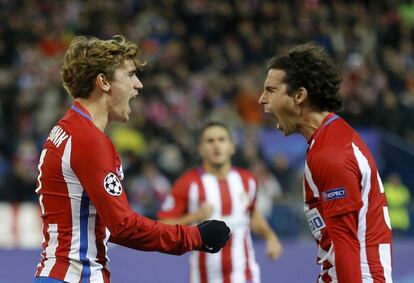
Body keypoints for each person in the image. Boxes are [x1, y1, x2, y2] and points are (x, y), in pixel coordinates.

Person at [33, 35, 230, 283]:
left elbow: (102, 221)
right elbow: (123, 226)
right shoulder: (89, 140)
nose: (138, 85)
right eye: (130, 75)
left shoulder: (65, 130)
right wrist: (194, 236)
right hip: (76, 277)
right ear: (103, 82)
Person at [258, 43, 393, 282]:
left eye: (270, 90)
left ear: (299, 95)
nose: (261, 100)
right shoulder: (330, 139)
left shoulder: (331, 154)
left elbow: (346, 242)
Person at [158, 121, 282, 283]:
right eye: (210, 141)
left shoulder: (247, 180)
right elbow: (163, 225)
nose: (216, 146)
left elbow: (251, 214)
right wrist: (195, 217)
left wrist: (270, 236)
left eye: (222, 140)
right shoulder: (188, 183)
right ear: (200, 149)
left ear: (231, 146)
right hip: (204, 277)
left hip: (245, 274)